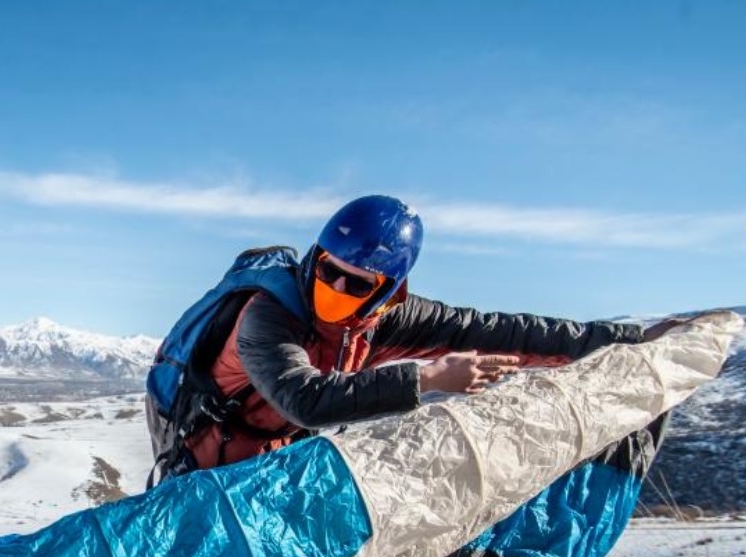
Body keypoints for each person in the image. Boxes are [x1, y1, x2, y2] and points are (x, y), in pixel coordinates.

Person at [156, 194, 676, 477]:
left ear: (388, 290)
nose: (333, 287)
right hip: (208, 459)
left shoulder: (387, 318)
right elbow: (305, 400)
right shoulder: (267, 315)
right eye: (326, 269)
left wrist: (628, 339)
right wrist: (426, 380)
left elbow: (501, 330)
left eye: (355, 282)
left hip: (274, 457)